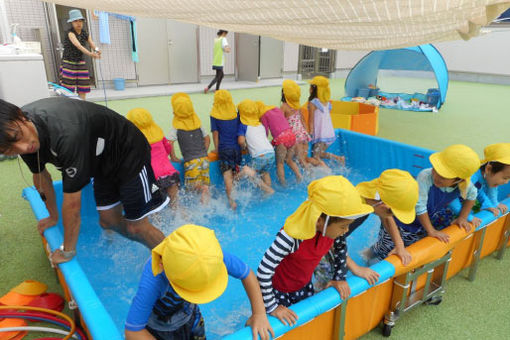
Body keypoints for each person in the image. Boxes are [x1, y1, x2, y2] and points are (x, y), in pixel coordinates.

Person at [0, 97, 168, 264]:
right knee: (107, 220)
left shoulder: (66, 133)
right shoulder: (15, 135)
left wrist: (67, 251)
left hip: (129, 151)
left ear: (21, 116)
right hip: (101, 160)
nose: (22, 148)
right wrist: (53, 217)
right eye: (8, 149)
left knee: (137, 226)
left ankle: (172, 258)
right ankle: (152, 244)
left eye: (17, 137)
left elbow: (73, 204)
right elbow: (41, 177)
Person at [256, 176, 373, 326]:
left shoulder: (331, 232)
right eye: (343, 226)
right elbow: (263, 272)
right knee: (284, 326)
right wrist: (272, 307)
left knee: (307, 321)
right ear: (319, 221)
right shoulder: (290, 237)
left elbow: (341, 249)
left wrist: (339, 277)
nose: (346, 231)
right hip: (278, 292)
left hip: (303, 285)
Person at [125, 224, 274, 340]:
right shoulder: (153, 280)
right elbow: (133, 331)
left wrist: (259, 314)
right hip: (159, 329)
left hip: (191, 317)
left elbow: (247, 274)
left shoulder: (208, 256)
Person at [372, 145, 480, 257]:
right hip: (399, 221)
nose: (436, 176)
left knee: (409, 247)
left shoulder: (464, 185)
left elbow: (472, 195)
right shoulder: (425, 176)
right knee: (385, 248)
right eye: (435, 169)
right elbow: (420, 206)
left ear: (459, 180)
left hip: (419, 223)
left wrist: (462, 217)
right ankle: (370, 254)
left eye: (443, 177)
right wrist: (431, 231)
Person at [126, 108, 180, 209]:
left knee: (154, 209)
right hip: (170, 174)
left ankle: (157, 223)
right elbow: (168, 148)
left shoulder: (134, 139)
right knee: (175, 205)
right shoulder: (158, 133)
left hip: (153, 178)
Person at [169, 93, 211, 204]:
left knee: (191, 187)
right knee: (204, 182)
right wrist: (204, 152)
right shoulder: (198, 123)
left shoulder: (176, 127)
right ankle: (205, 197)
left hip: (191, 162)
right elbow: (207, 139)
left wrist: (173, 157)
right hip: (204, 159)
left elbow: (169, 142)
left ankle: (202, 189)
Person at [280, 80, 324, 168]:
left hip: (295, 137)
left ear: (284, 94)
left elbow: (280, 123)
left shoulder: (284, 106)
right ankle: (323, 167)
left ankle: (310, 176)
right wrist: (307, 133)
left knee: (301, 160)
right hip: (303, 135)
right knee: (305, 159)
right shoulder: (298, 107)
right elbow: (303, 121)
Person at [210, 90, 242, 209]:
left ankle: (231, 201)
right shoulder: (235, 113)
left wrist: (217, 149)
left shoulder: (214, 115)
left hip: (225, 149)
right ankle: (237, 193)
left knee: (227, 177)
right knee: (235, 173)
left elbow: (215, 134)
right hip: (237, 149)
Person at [258, 101, 302, 186]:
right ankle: (299, 176)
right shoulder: (276, 109)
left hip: (281, 139)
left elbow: (265, 132)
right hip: (291, 136)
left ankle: (283, 184)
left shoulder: (264, 114)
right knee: (289, 160)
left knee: (280, 163)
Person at [60, 9, 100, 100]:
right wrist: (91, 54)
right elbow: (78, 46)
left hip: (80, 62)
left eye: (80, 21)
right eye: (75, 21)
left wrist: (97, 50)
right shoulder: (70, 33)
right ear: (71, 23)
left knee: (83, 86)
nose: (78, 23)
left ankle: (82, 105)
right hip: (68, 62)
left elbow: (91, 43)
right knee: (68, 88)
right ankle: (68, 106)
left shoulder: (85, 33)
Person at [237, 99, 275, 195]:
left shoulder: (243, 125)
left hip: (260, 155)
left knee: (248, 172)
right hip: (270, 152)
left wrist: (244, 147)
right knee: (265, 173)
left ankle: (268, 190)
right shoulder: (260, 124)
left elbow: (241, 141)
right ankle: (267, 194)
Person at [307, 76, 344, 165]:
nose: (309, 88)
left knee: (315, 157)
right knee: (320, 153)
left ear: (314, 89)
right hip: (329, 133)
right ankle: (339, 158)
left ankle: (327, 171)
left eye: (311, 86)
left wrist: (310, 133)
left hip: (321, 134)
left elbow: (311, 120)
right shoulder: (327, 103)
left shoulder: (313, 102)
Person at [471, 143, 510, 216]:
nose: (506, 182)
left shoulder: (490, 177)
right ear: (488, 169)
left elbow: (493, 189)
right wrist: (488, 205)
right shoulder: (474, 177)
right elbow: (478, 192)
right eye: (505, 178)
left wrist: (495, 203)